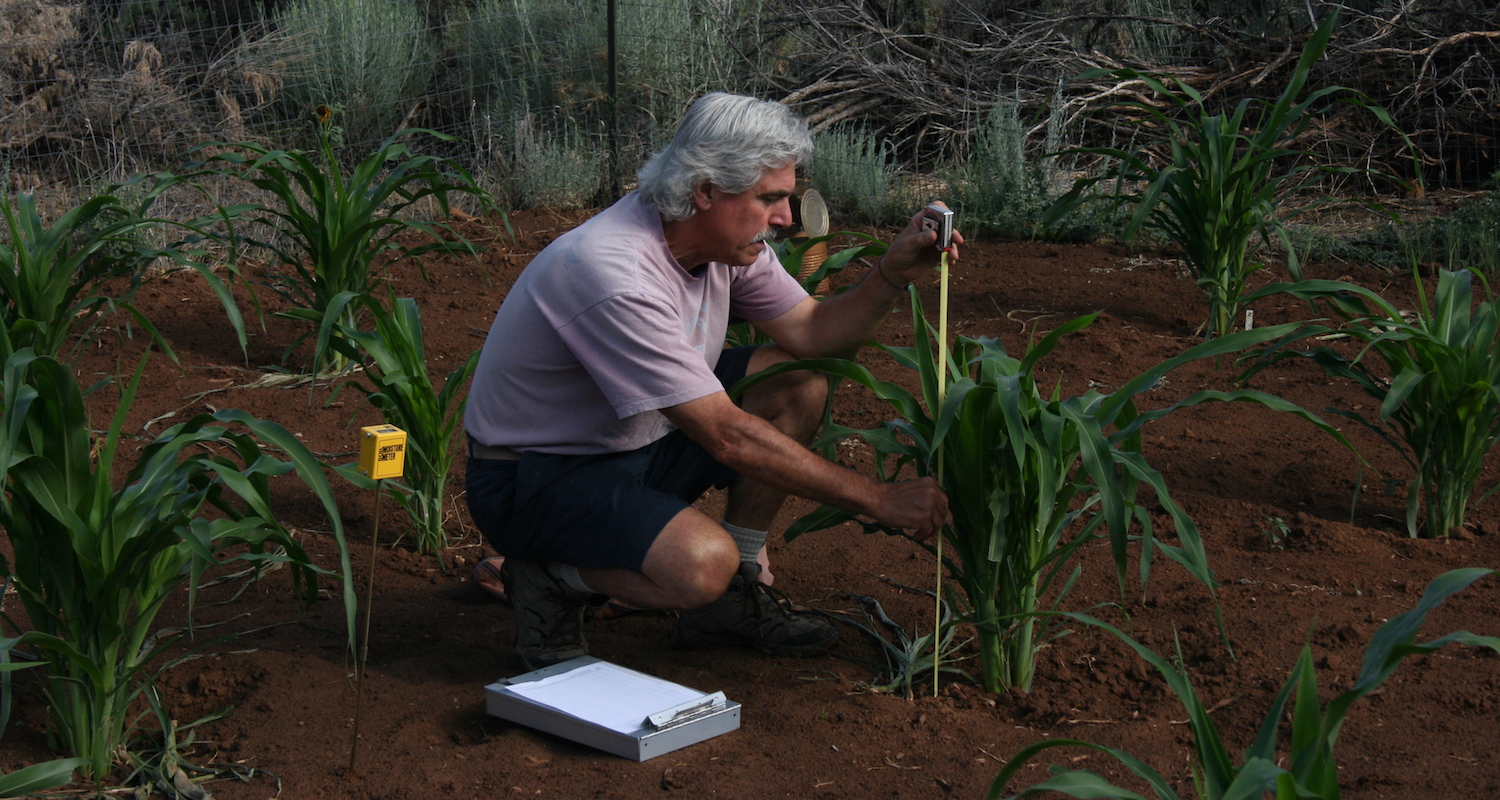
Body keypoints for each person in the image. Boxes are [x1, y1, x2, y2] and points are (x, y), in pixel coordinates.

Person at [464, 92, 959, 670]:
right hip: (537, 478)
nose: (785, 219)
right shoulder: (615, 272)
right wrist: (877, 499)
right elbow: (727, 436)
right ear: (704, 191)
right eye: (769, 199)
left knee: (796, 381)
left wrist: (890, 274)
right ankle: (546, 577)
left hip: (634, 440)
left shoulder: (724, 244)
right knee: (702, 564)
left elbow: (815, 334)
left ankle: (731, 601)